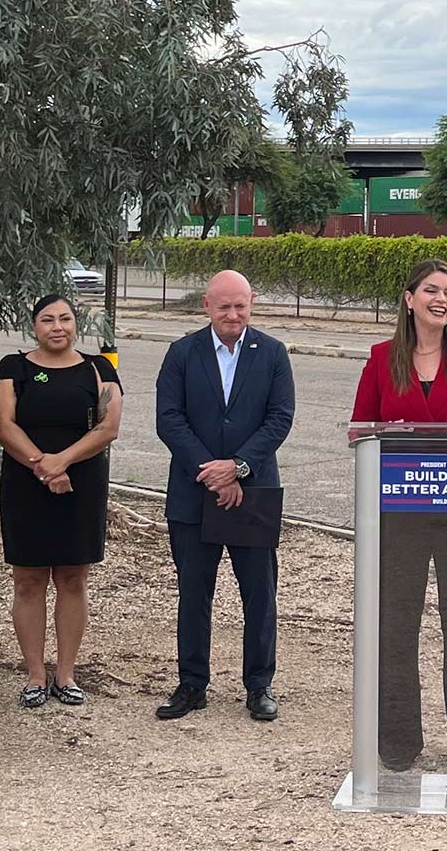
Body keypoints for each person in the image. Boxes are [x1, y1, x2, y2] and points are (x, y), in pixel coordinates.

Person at [350, 259, 447, 774]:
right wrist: (384, 433)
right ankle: (396, 742)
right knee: (396, 625)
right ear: (409, 298)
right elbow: (358, 430)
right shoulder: (380, 359)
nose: (442, 299)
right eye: (432, 290)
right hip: (399, 513)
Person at [153, 270, 295, 722]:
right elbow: (169, 419)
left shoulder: (272, 353)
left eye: (241, 305)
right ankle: (192, 684)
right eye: (224, 306)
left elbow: (279, 418)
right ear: (207, 306)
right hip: (193, 494)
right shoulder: (181, 353)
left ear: (251, 303)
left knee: (259, 592)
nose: (233, 315)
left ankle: (259, 685)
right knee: (194, 593)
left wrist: (238, 467)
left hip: (253, 493)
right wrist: (212, 472)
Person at [0, 295, 122, 708]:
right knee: (28, 580)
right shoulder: (14, 369)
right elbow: (2, 424)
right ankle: (33, 675)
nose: (57, 326)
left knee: (72, 579)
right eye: (48, 319)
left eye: (65, 319)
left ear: (75, 324)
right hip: (26, 484)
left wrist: (60, 462)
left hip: (81, 485)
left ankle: (65, 674)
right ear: (34, 326)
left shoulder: (99, 369)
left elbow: (109, 427)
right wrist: (42, 466)